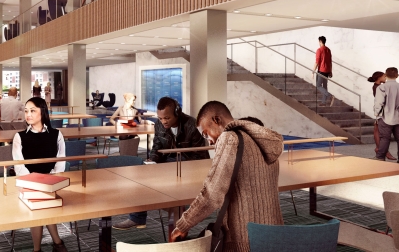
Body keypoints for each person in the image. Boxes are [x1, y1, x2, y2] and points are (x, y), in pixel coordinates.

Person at [170, 101, 284, 250]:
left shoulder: (229, 138)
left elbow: (213, 193)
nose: (209, 141)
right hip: (275, 234)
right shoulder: (263, 143)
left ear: (216, 120)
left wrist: (183, 225)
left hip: (244, 239)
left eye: (206, 133)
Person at [114, 97, 210, 231]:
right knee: (141, 175)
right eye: (160, 118)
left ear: (177, 112)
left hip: (188, 165)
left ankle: (177, 221)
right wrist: (151, 160)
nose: (163, 121)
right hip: (167, 163)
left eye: (167, 118)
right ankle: (137, 218)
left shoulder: (192, 125)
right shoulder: (158, 125)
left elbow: (199, 156)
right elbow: (157, 147)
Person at [11, 97, 68, 252]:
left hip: (52, 181)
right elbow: (19, 165)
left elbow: (60, 161)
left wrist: (52, 181)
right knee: (40, 206)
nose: (28, 114)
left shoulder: (57, 134)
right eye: (26, 111)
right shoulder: (19, 136)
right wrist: (36, 183)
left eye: (32, 110)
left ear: (43, 112)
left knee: (42, 205)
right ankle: (57, 243)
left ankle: (40, 249)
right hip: (28, 182)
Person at [372, 67, 399, 164]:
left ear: (386, 75)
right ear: (397, 75)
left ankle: (380, 157)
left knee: (385, 138)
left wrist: (377, 115)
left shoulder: (382, 87)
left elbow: (379, 103)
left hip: (385, 117)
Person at [368, 71, 396, 160]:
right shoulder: (378, 87)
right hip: (383, 111)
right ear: (379, 77)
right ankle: (383, 150)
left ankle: (380, 149)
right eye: (384, 76)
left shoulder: (378, 86)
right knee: (381, 131)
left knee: (377, 129)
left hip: (382, 111)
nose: (385, 78)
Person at [313, 35, 335, 106]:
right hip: (327, 70)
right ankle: (323, 102)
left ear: (320, 41)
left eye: (319, 42)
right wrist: (330, 71)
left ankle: (330, 96)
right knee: (325, 86)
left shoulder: (319, 50)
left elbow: (317, 62)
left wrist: (313, 71)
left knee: (318, 85)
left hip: (321, 70)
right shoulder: (328, 50)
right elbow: (330, 62)